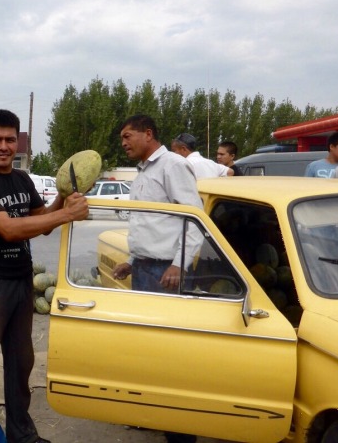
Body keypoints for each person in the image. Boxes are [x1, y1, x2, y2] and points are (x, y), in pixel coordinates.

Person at [0, 109, 89, 443]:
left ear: (18, 142)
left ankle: (22, 435)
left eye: (10, 139)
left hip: (20, 282)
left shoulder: (22, 180)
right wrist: (66, 215)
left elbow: (40, 221)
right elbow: (9, 229)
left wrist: (62, 195)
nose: (4, 146)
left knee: (21, 365)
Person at [112, 115, 201, 443]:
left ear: (148, 133)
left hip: (166, 273)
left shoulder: (172, 165)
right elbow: (151, 223)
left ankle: (181, 433)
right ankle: (157, 414)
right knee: (149, 350)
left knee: (170, 355)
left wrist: (179, 264)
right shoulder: (144, 171)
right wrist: (132, 261)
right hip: (147, 269)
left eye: (128, 135)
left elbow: (194, 217)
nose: (124, 142)